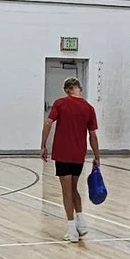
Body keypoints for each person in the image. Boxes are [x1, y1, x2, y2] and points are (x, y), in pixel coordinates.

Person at [40, 77, 100, 243]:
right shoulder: (89, 108)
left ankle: (72, 230)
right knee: (74, 189)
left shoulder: (60, 103)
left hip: (63, 153)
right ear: (79, 88)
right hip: (79, 155)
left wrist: (43, 145)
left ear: (67, 90)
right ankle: (81, 223)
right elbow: (93, 135)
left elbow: (48, 123)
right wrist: (97, 156)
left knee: (66, 192)